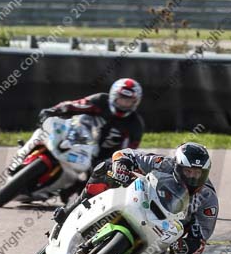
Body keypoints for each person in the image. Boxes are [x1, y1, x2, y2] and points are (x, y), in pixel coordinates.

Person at [54, 141, 219, 254]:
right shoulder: (164, 164)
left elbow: (200, 241)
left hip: (160, 233)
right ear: (177, 166)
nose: (192, 177)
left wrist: (184, 245)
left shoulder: (208, 201)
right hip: (139, 202)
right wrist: (122, 166)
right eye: (188, 171)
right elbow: (125, 154)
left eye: (198, 173)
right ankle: (71, 209)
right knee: (106, 168)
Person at [9, 79, 145, 187]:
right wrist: (53, 110)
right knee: (42, 132)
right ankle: (20, 159)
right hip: (75, 133)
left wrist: (112, 164)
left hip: (98, 158)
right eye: (122, 99)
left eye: (128, 101)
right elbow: (76, 105)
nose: (124, 104)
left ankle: (65, 189)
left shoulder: (135, 125)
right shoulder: (100, 100)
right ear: (114, 96)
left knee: (93, 186)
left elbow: (128, 152)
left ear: (135, 102)